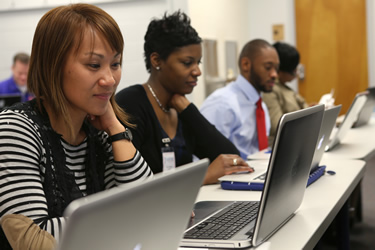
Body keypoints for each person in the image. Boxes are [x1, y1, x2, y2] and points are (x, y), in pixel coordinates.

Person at [0, 4, 152, 250]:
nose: (110, 80)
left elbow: (149, 206)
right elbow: (36, 239)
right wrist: (132, 219)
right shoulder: (15, 129)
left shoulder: (100, 133)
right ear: (53, 65)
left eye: (115, 64)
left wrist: (115, 128)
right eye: (94, 65)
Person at [115, 11, 252, 185]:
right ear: (156, 61)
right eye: (187, 63)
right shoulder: (130, 105)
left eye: (198, 62)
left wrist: (189, 111)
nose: (197, 71)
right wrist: (201, 178)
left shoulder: (181, 108)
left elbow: (230, 158)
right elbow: (134, 186)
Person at [200, 39, 279, 159]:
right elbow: (207, 158)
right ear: (246, 65)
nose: (274, 74)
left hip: (256, 170)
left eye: (276, 68)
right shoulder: (222, 103)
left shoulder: (259, 104)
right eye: (268, 67)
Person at [262, 42, 309, 145]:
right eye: (293, 70)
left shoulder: (284, 87)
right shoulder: (271, 91)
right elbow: (277, 126)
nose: (296, 73)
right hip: (287, 143)